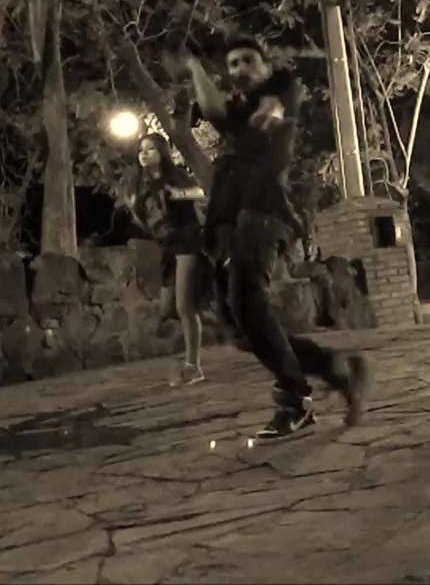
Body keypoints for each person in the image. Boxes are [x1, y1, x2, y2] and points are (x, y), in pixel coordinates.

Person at [164, 35, 371, 440]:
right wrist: (194, 67)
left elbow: (273, 106)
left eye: (248, 61)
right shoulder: (238, 110)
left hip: (262, 213)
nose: (240, 69)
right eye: (233, 64)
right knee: (242, 331)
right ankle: (338, 368)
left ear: (265, 64)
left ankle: (295, 400)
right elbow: (215, 110)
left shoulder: (282, 87)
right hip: (226, 221)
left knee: (247, 302)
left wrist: (270, 108)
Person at [127, 133, 212, 385]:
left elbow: (200, 192)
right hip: (167, 245)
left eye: (151, 149)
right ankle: (212, 313)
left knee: (184, 306)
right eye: (141, 150)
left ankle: (193, 367)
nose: (144, 154)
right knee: (167, 310)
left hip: (187, 237)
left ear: (161, 152)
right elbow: (141, 216)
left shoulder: (175, 174)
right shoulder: (139, 183)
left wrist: (178, 194)